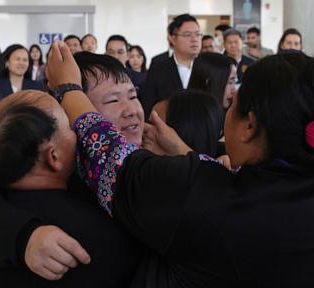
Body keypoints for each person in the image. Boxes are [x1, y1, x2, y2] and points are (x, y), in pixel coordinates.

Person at [49, 41, 314, 287]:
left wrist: (69, 90)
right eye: (112, 99)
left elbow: (114, 161)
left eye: (233, 105)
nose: (132, 110)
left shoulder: (201, 192)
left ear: (250, 126)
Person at [0, 52, 144, 281]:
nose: (132, 110)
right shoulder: (55, 170)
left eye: (134, 96)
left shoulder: (156, 160)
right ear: (70, 111)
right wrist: (24, 237)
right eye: (113, 100)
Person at [141, 13, 202, 117]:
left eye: (197, 34)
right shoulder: (158, 70)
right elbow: (148, 106)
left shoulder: (206, 67)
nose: (194, 39)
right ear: (172, 39)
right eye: (187, 34)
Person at [153, 52, 237, 120]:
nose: (234, 90)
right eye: (230, 82)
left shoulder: (231, 115)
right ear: (208, 82)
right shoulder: (173, 112)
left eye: (234, 82)